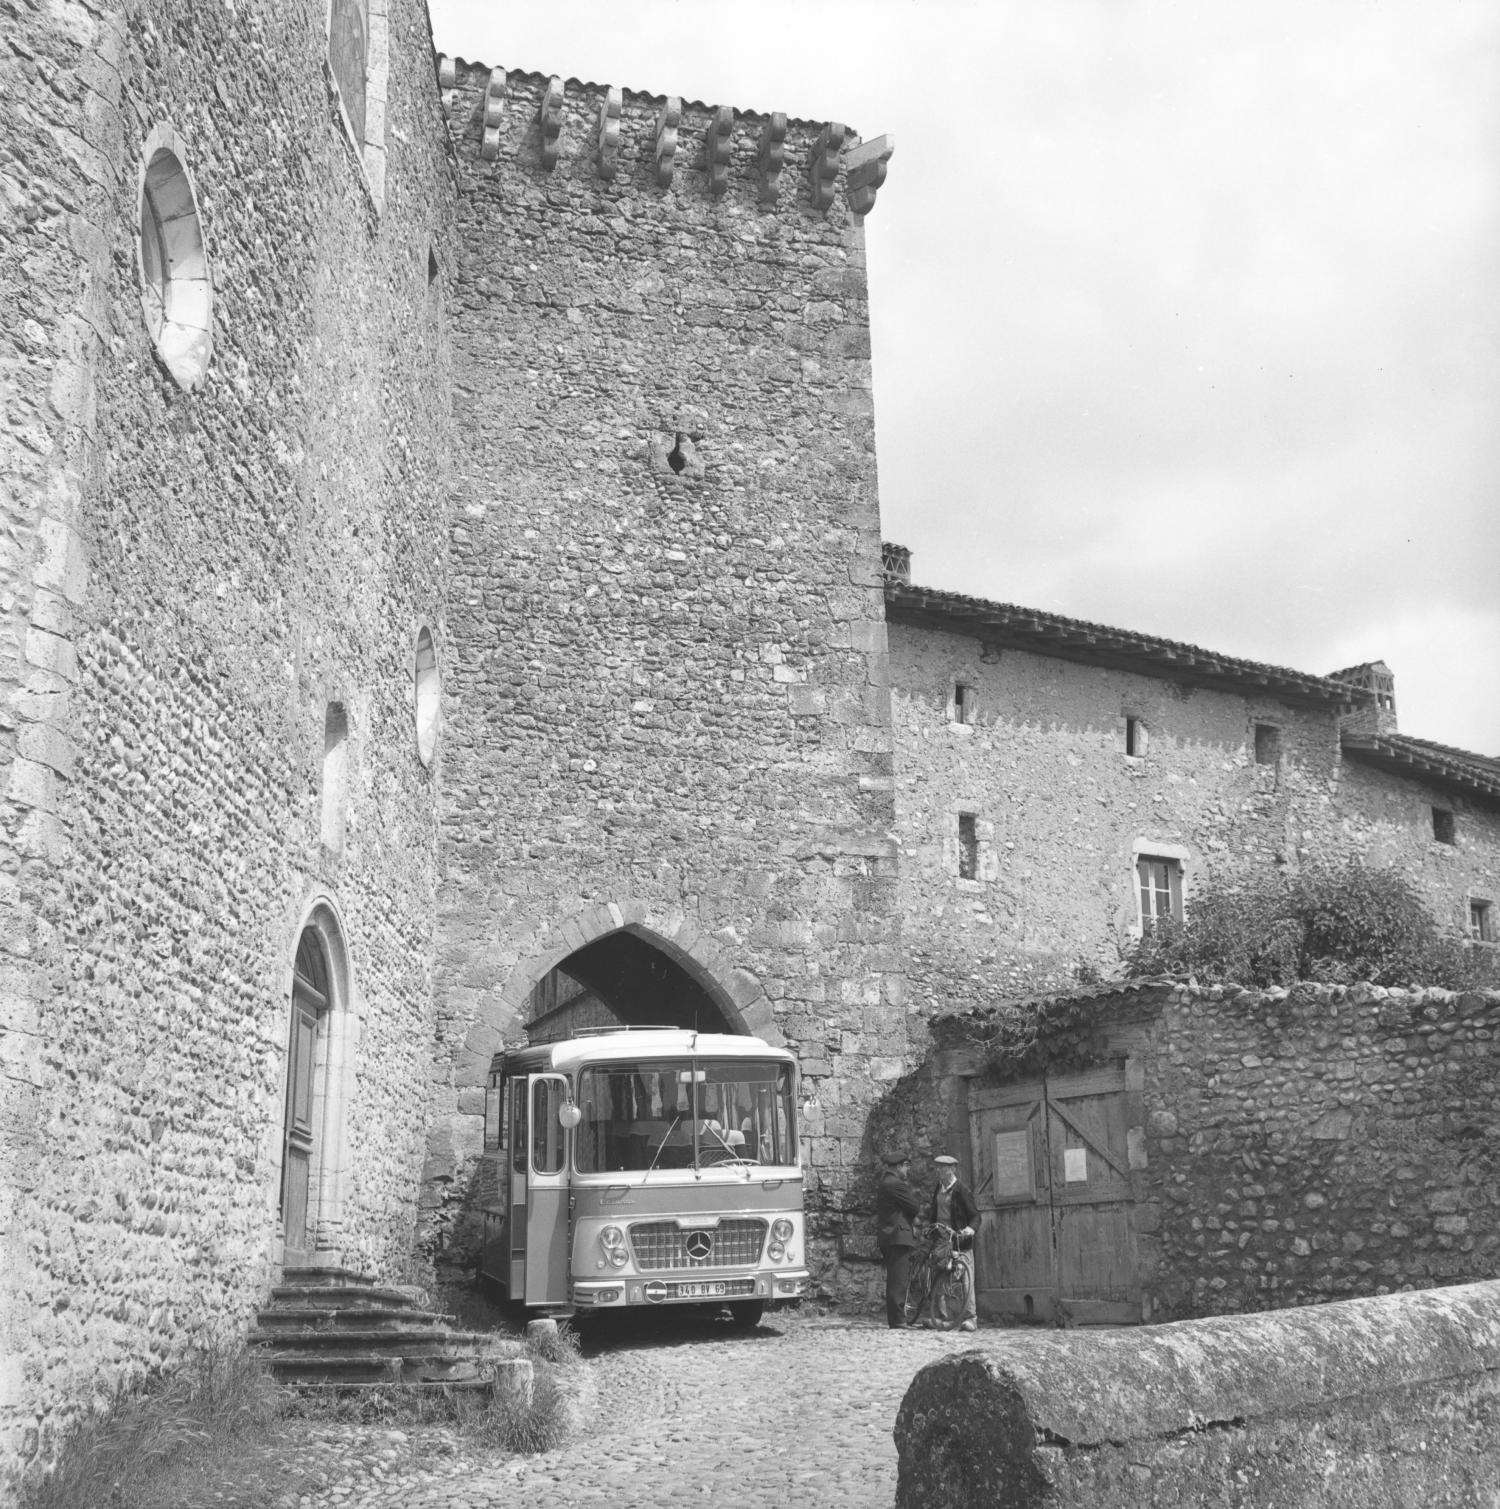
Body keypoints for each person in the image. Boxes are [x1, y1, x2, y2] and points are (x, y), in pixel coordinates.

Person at [928, 1154, 979, 1331]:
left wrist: (969, 1230)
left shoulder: (961, 1190)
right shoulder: (939, 1188)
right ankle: (944, 1317)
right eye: (938, 1167)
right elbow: (934, 1212)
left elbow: (975, 1216)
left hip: (959, 1241)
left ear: (953, 1169)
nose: (940, 1171)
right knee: (941, 1278)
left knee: (966, 1279)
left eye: (944, 1167)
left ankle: (971, 1318)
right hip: (942, 1240)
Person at [875, 1150, 921, 1328]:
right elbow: (914, 1206)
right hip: (897, 1236)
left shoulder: (885, 1182)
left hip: (890, 1236)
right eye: (906, 1167)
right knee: (898, 1280)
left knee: (896, 1278)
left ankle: (897, 1318)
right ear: (899, 1166)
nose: (907, 1171)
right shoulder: (896, 1184)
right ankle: (898, 1320)